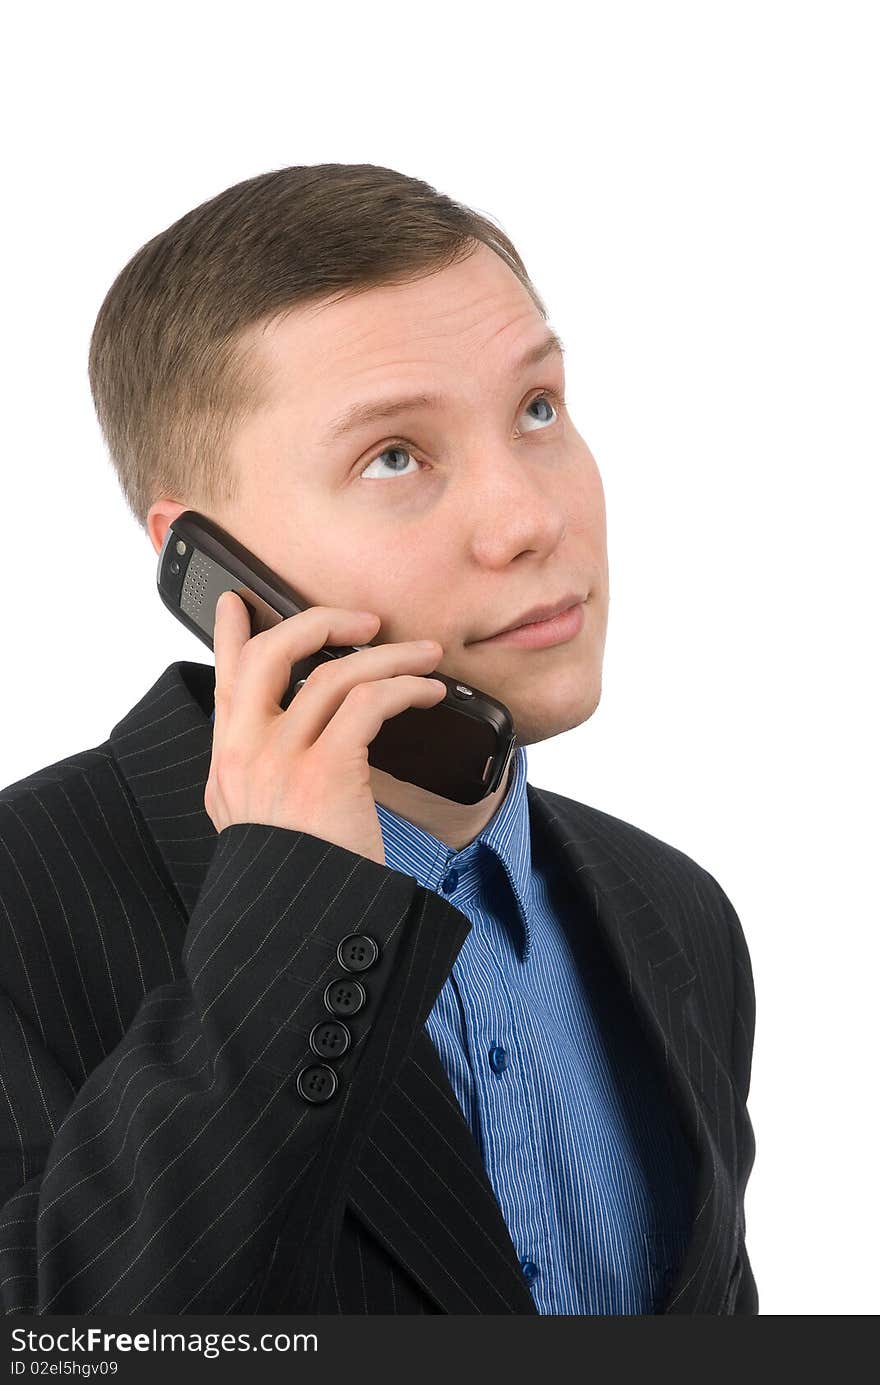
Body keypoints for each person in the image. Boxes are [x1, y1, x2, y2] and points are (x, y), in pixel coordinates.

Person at [0, 164, 757, 1314]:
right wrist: (288, 913)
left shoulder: (677, 912)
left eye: (537, 408)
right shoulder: (22, 902)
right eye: (394, 456)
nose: (530, 519)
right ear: (210, 563)